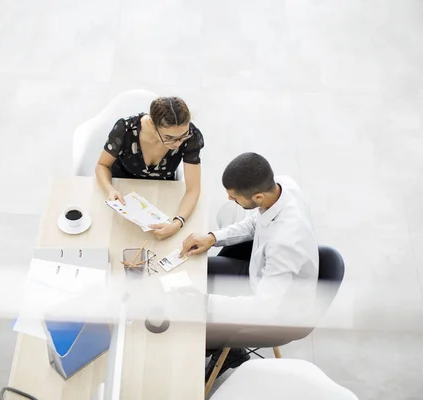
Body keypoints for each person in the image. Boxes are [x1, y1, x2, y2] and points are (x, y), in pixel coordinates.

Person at [179, 152, 319, 380]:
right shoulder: (282, 187)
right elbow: (255, 222)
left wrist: (204, 302)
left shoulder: (285, 242)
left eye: (234, 198)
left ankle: (229, 352)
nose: (229, 199)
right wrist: (213, 237)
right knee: (198, 271)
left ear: (258, 197)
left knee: (189, 325)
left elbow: (265, 307)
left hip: (279, 313)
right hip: (260, 275)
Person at [96, 97, 204, 240]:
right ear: (152, 124)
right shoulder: (126, 129)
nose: (178, 144)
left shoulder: (192, 137)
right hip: (122, 192)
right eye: (169, 137)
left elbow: (193, 189)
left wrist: (177, 223)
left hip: (161, 192)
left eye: (183, 136)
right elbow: (102, 165)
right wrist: (110, 189)